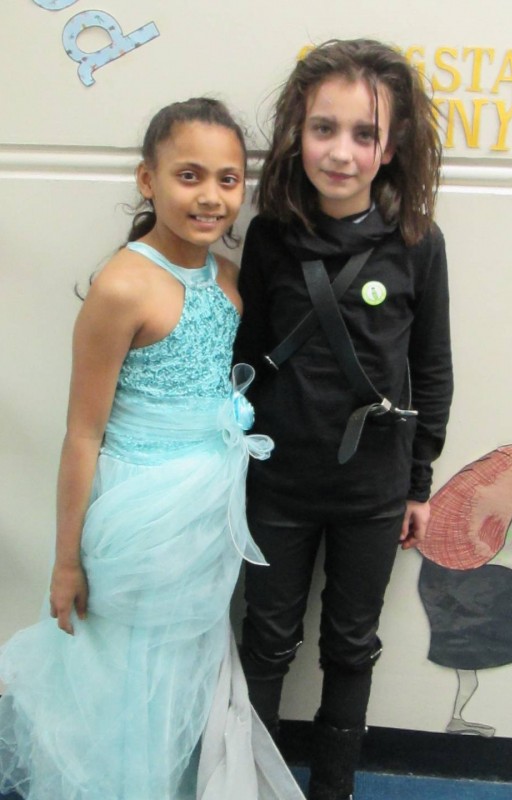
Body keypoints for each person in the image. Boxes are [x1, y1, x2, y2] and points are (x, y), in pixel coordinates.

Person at [0, 97, 303, 800]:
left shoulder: (227, 278)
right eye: (188, 175)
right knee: (126, 668)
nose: (210, 196)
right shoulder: (122, 286)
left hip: (207, 512)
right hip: (139, 515)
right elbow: (83, 433)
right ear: (148, 179)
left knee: (183, 664)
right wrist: (65, 562)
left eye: (228, 179)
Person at [233, 39, 453, 800]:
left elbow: (431, 369)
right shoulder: (269, 237)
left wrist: (419, 482)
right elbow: (246, 357)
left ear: (391, 148)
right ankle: (252, 785)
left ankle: (334, 789)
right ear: (298, 133)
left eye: (365, 134)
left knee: (352, 648)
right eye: (324, 128)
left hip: (373, 489)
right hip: (277, 484)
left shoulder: (418, 244)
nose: (341, 151)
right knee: (265, 643)